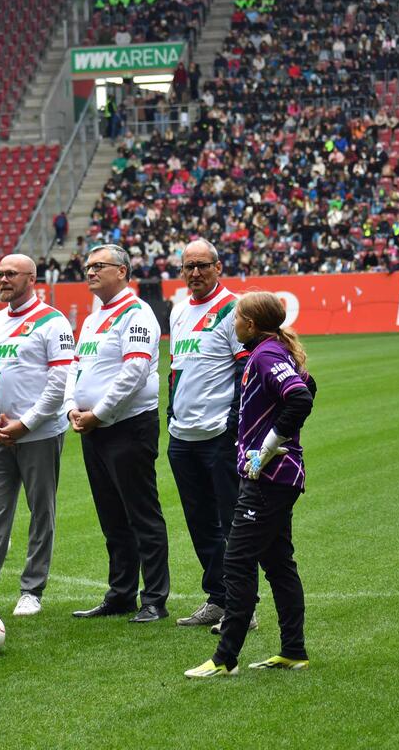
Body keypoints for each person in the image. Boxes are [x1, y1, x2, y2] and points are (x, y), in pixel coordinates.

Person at [185, 291, 317, 677]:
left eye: (238, 317)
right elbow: (310, 386)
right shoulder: (272, 350)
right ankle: (293, 650)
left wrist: (270, 447)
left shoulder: (265, 354)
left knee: (238, 561)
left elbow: (301, 397)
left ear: (252, 324)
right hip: (275, 476)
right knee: (278, 562)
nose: (234, 322)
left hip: (270, 477)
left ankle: (225, 658)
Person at [64, 245, 170, 623]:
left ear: (122, 271)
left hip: (128, 426)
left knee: (142, 513)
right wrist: (72, 409)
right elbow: (75, 366)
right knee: (111, 516)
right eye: (88, 266)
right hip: (93, 428)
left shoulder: (137, 313)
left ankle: (154, 599)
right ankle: (121, 593)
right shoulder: (94, 318)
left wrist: (98, 413)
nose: (90, 272)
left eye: (99, 266)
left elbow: (135, 371)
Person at [0, 254, 75, 617]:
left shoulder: (53, 321)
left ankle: (32, 589)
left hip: (39, 433)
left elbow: (60, 382)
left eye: (10, 274)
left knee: (40, 511)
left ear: (32, 279)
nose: (2, 279)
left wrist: (26, 423)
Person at [167, 240, 255, 632]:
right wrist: (172, 411)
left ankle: (243, 605)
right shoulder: (179, 310)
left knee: (231, 523)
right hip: (182, 436)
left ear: (218, 267)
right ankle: (218, 599)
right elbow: (176, 368)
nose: (196, 273)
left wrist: (234, 424)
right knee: (200, 524)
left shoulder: (235, 309)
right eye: (189, 266)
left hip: (218, 434)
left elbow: (246, 371)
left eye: (203, 265)